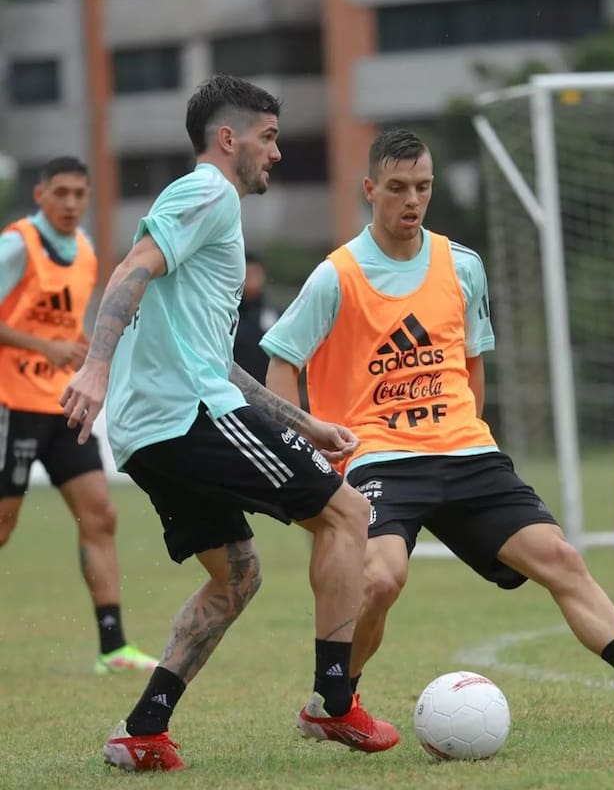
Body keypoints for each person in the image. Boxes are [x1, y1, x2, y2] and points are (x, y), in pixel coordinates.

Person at [59, 75, 398, 773]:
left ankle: (142, 730)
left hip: (153, 429)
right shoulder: (207, 192)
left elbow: (217, 363)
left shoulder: (212, 214)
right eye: (268, 137)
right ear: (227, 138)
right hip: (185, 418)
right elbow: (131, 269)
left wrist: (305, 420)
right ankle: (334, 702)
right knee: (346, 514)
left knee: (236, 577)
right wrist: (94, 366)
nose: (275, 153)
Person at [260, 128, 614, 703]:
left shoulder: (462, 265)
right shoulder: (338, 274)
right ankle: (332, 701)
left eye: (423, 187)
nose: (412, 200)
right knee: (380, 579)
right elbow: (280, 365)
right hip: (379, 457)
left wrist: (462, 433)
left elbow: (472, 366)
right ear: (370, 189)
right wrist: (309, 448)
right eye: (398, 187)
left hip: (466, 452)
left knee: (561, 558)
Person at [0, 157, 158, 674]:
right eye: (61, 193)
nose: (71, 204)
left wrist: (84, 351)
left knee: (100, 513)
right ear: (41, 194)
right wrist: (43, 344)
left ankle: (113, 647)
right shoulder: (18, 244)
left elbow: (66, 330)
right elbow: (42, 336)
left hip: (62, 403)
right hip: (12, 403)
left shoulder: (87, 252)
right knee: (4, 524)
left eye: (79, 194)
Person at [232, 255, 279, 384]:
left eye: (256, 273)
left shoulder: (272, 313)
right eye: (248, 273)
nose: (252, 278)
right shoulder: (228, 313)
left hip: (264, 385)